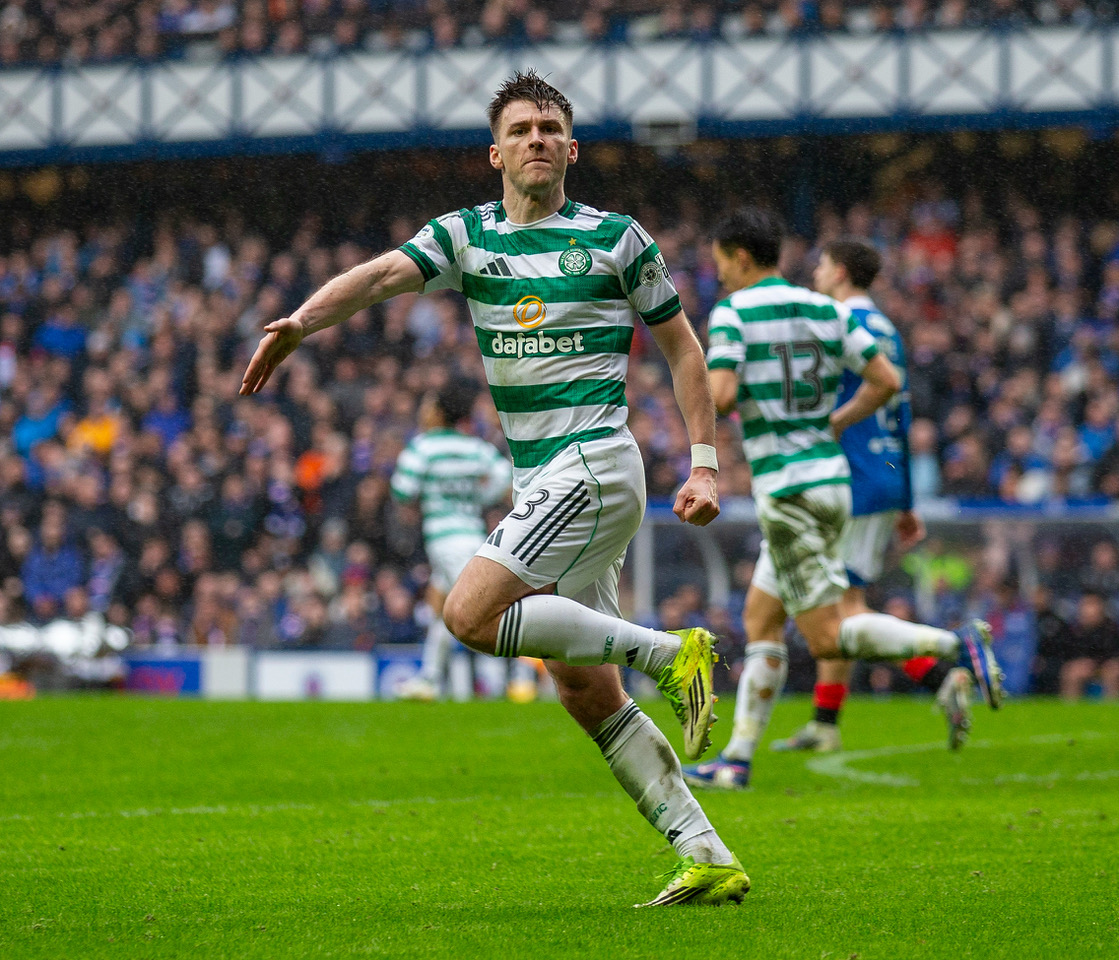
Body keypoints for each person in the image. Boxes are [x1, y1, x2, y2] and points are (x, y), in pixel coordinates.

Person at [241, 70, 749, 907]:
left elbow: (684, 352)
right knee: (581, 686)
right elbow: (373, 278)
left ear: (572, 148)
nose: (537, 139)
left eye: (550, 127)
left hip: (592, 459)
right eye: (521, 130)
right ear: (495, 152)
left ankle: (671, 652)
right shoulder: (465, 237)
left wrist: (702, 461)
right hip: (540, 475)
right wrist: (301, 320)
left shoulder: (618, 239)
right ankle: (705, 849)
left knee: (468, 614)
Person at [681, 208, 1003, 792]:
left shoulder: (733, 312)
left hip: (788, 488)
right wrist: (835, 420)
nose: (717, 272)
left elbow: (723, 396)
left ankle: (955, 647)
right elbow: (885, 380)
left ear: (741, 257)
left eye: (721, 260)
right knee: (761, 617)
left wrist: (705, 394)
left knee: (829, 634)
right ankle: (737, 760)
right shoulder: (826, 309)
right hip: (832, 481)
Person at [769, 238, 975, 755]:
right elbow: (901, 417)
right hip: (882, 477)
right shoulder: (888, 329)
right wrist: (904, 497)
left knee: (835, 611)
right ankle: (826, 723)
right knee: (840, 605)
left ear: (839, 271)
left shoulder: (838, 323)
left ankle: (944, 668)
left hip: (850, 481)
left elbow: (825, 402)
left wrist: (823, 426)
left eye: (820, 264)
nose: (815, 272)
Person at [390, 381, 513, 700]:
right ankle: (429, 679)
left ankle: (504, 679)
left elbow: (402, 487)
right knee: (443, 611)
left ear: (438, 411)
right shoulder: (473, 446)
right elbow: (504, 476)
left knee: (476, 610)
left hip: (443, 539)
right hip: (473, 535)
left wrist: (431, 494)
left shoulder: (424, 446)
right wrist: (478, 496)